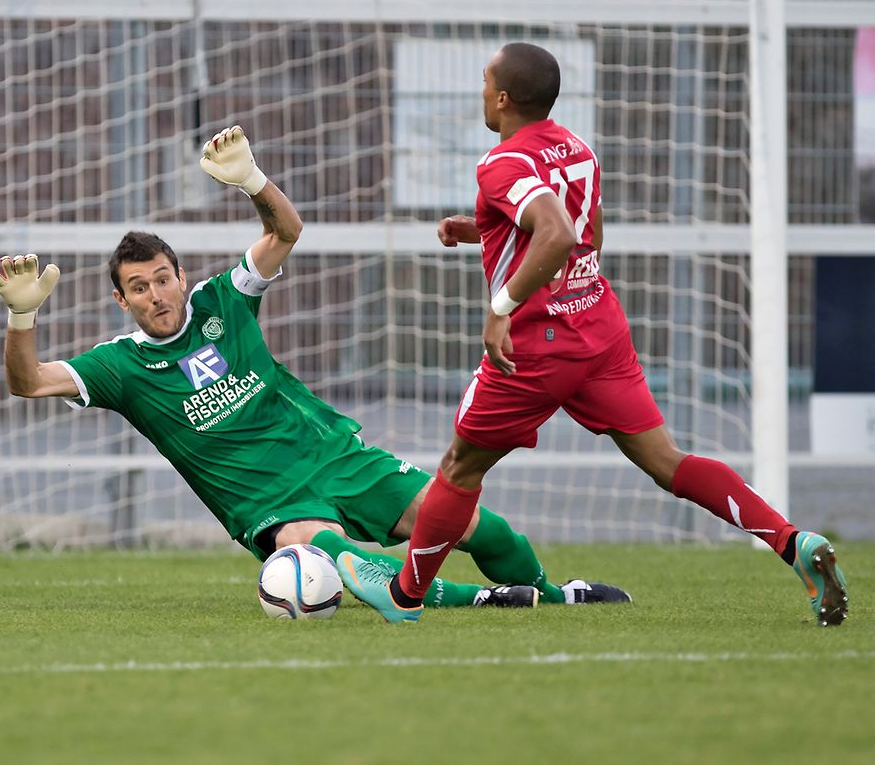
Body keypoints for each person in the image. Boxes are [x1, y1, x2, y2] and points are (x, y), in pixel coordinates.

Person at [0, 125, 630, 610]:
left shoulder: (223, 299)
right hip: (270, 505)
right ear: (120, 300)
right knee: (327, 550)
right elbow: (29, 381)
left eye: (163, 278)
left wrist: (253, 181)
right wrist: (22, 318)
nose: (156, 295)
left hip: (337, 457)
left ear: (181, 276)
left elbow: (287, 230)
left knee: (476, 524)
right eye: (139, 287)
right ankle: (481, 601)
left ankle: (551, 592)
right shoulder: (120, 365)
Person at [338, 42, 849, 626]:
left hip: (534, 347)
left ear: (503, 98)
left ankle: (405, 598)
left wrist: (502, 306)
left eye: (484, 80)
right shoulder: (576, 147)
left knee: (459, 469)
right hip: (599, 331)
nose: (479, 89)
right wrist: (486, 229)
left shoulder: (500, 162)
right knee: (666, 460)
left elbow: (553, 231)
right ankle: (792, 541)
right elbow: (583, 237)